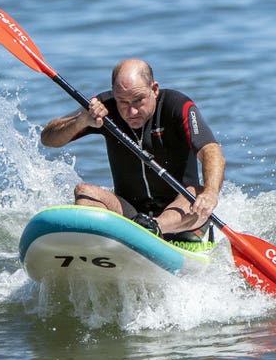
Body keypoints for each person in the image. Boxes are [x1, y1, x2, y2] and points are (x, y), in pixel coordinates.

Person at [40, 58, 225, 243]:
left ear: (154, 89)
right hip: (131, 216)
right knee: (85, 192)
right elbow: (48, 138)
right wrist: (81, 121)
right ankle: (97, 248)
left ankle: (154, 228)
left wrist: (210, 193)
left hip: (182, 216)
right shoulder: (104, 108)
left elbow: (210, 150)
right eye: (123, 102)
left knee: (197, 192)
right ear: (114, 94)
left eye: (138, 100)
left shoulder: (176, 105)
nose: (132, 112)